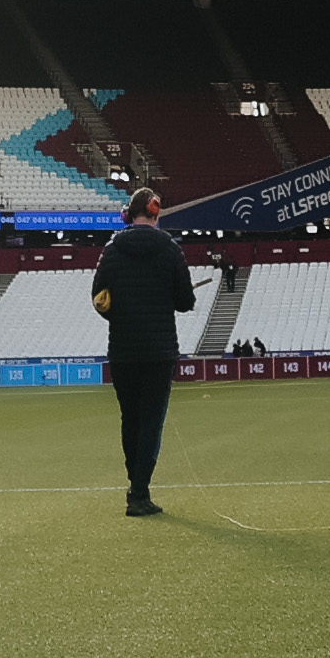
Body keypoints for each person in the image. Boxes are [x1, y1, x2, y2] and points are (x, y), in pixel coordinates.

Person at [90, 192, 200, 513]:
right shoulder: (171, 249)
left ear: (129, 214)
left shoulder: (111, 250)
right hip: (159, 350)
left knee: (131, 419)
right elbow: (185, 301)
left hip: (123, 348)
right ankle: (139, 492)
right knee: (152, 421)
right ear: (155, 213)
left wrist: (121, 316)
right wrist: (172, 297)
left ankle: (134, 484)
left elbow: (99, 298)